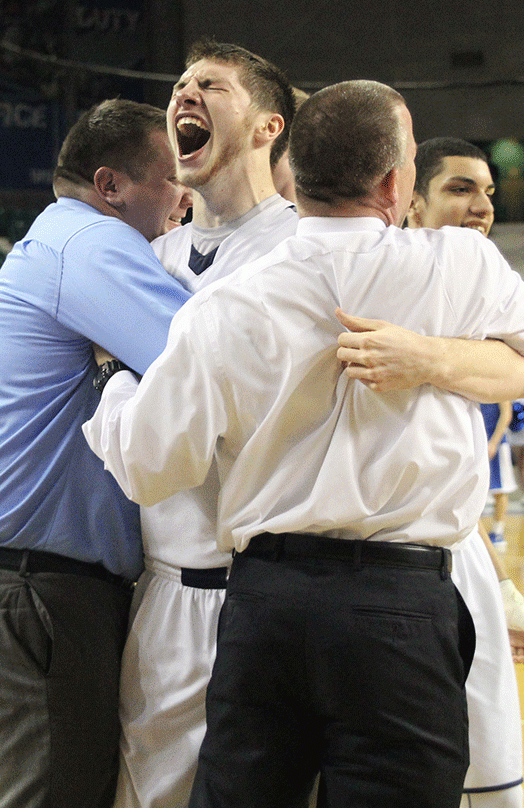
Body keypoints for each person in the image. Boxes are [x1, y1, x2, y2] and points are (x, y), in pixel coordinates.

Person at [83, 81, 524, 807]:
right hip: (402, 603)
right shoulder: (458, 266)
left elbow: (147, 466)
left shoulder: (230, 302)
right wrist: (438, 357)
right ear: (394, 181)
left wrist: (114, 385)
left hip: (267, 605)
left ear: (298, 172)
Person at [0, 98, 190, 808]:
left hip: (18, 577)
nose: (186, 195)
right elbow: (201, 366)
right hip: (35, 579)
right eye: (171, 178)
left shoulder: (55, 243)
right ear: (110, 187)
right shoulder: (92, 245)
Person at [110, 38, 298, 808]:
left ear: (266, 129)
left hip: (274, 586)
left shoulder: (306, 248)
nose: (184, 94)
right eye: (180, 83)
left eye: (211, 86)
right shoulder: (148, 258)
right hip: (165, 587)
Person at [338, 135, 524, 808]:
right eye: (459, 189)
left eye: (488, 193)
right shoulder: (366, 274)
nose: (480, 206)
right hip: (351, 559)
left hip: (443, 552)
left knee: (483, 771)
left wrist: (433, 359)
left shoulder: (485, 289)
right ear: (407, 200)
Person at [481, 401, 517, 551]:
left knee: (500, 489)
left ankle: (497, 532)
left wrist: (494, 442)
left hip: (495, 443)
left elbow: (506, 415)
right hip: (477, 441)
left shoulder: (499, 384)